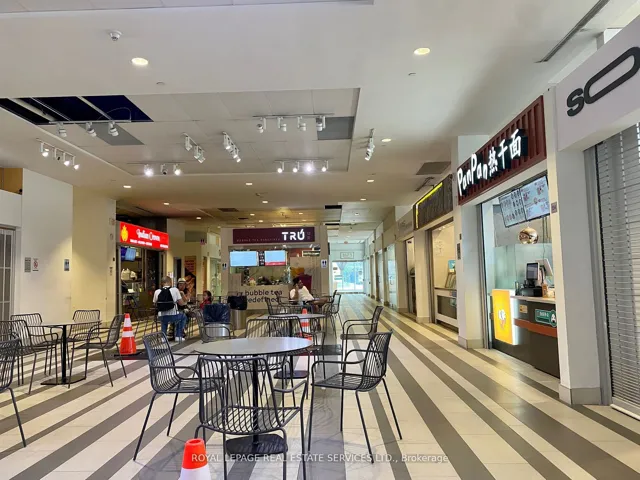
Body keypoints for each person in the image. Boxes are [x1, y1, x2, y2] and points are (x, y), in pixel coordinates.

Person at [153, 276, 187, 341]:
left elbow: (155, 304)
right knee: (183, 316)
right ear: (170, 282)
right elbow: (181, 304)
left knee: (164, 319)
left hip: (161, 317)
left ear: (162, 283)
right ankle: (178, 336)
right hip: (173, 317)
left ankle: (163, 337)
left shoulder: (156, 291)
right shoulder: (175, 290)